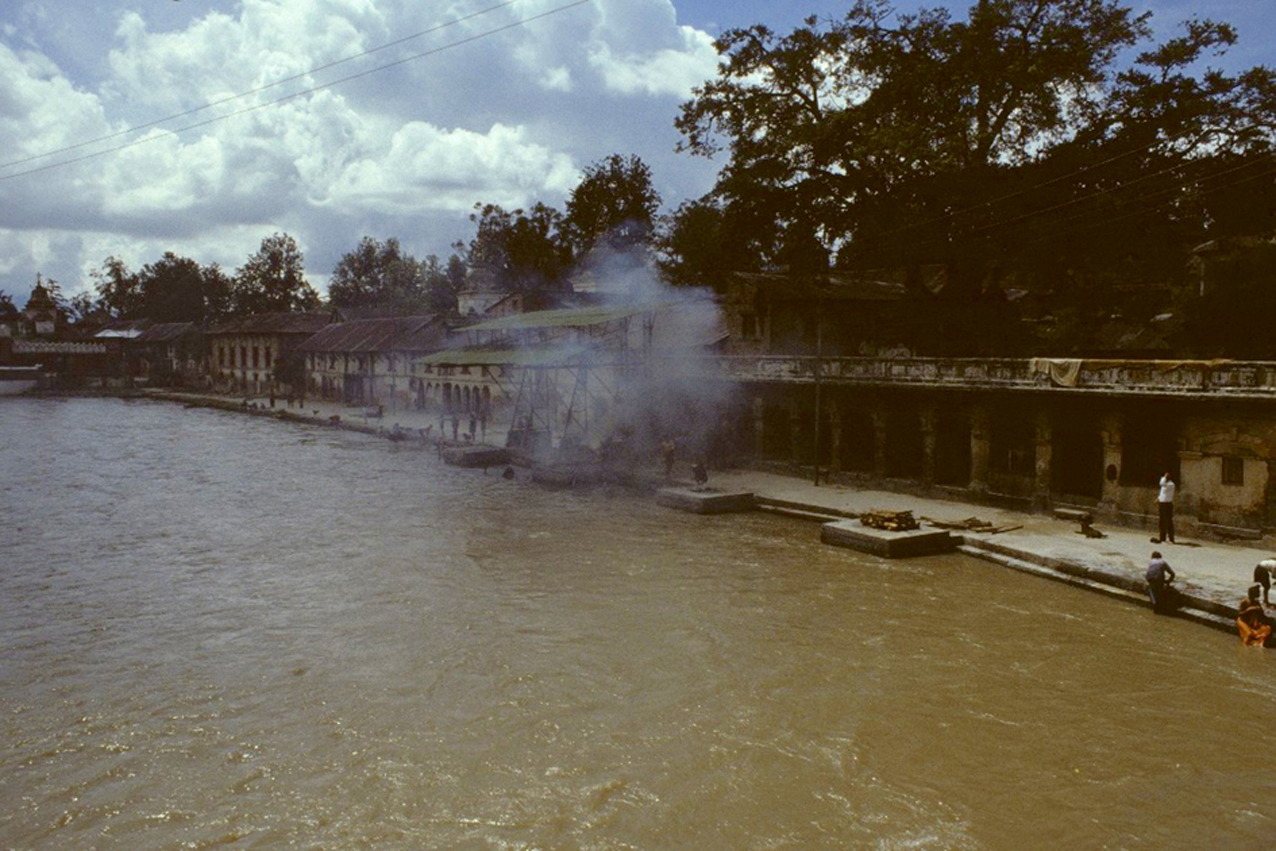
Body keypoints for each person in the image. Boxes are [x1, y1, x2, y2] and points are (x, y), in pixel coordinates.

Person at [1153, 472, 1176, 544]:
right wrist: (1159, 498)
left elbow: (1162, 484)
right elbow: (1162, 492)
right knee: (1161, 521)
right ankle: (1162, 537)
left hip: (1168, 504)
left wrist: (1164, 478)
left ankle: (1171, 537)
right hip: (1162, 503)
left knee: (1168, 521)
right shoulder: (1165, 484)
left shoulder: (1171, 484)